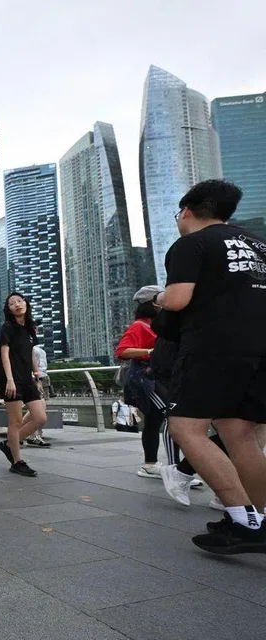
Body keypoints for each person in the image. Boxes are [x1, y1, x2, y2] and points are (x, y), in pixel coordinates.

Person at [154, 180, 266, 554]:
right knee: (241, 434)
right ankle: (262, 520)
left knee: (187, 428)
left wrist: (158, 297)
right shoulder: (258, 245)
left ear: (187, 211)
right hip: (260, 349)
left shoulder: (192, 243)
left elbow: (177, 298)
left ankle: (243, 519)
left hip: (213, 348)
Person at [0, 292, 48, 477]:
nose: (17, 304)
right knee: (15, 422)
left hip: (27, 379)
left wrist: (37, 376)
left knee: (40, 417)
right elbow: (4, 354)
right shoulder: (7, 327)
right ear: (8, 309)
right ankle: (17, 461)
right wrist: (9, 379)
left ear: (25, 303)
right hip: (11, 379)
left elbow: (31, 352)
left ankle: (10, 444)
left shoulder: (29, 328)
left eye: (19, 301)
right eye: (11, 303)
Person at [116, 299, 164, 479]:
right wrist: (151, 351)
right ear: (153, 304)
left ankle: (149, 464)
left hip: (158, 378)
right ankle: (179, 470)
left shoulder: (158, 325)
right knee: (171, 416)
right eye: (160, 300)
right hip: (146, 379)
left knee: (154, 420)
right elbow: (122, 350)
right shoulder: (140, 325)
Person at [26, 344, 51, 447]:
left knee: (39, 408)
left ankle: (30, 434)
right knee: (40, 408)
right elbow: (31, 364)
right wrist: (37, 380)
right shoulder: (30, 347)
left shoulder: (38, 348)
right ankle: (34, 435)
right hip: (37, 379)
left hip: (43, 377)